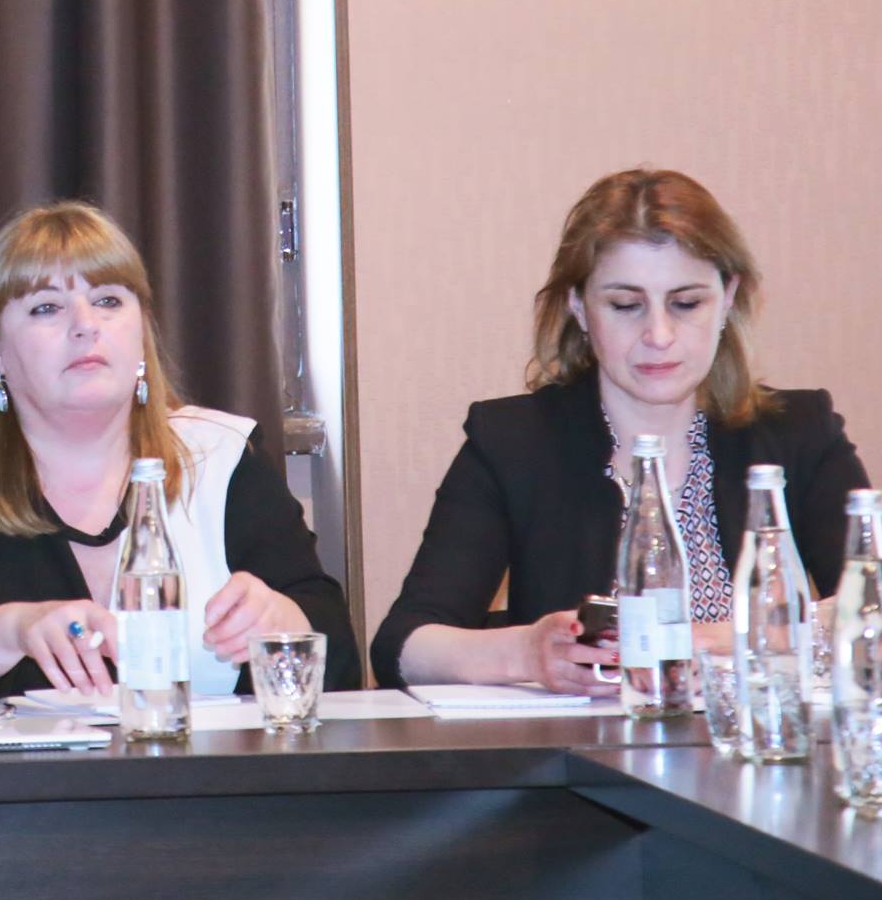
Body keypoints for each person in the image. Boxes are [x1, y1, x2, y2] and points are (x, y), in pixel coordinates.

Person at [371, 167, 869, 693]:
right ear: (579, 308)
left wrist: (721, 640)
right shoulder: (513, 442)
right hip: (585, 745)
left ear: (728, 297)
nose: (659, 334)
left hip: (758, 739)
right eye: (626, 306)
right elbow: (402, 646)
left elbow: (872, 606)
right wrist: (527, 653)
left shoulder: (799, 432)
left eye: (686, 303)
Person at [0, 201, 358, 705]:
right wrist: (13, 630)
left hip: (206, 757)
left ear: (142, 332)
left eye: (108, 301)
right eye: (46, 308)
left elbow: (339, 655)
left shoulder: (225, 457)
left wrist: (282, 619)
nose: (85, 326)